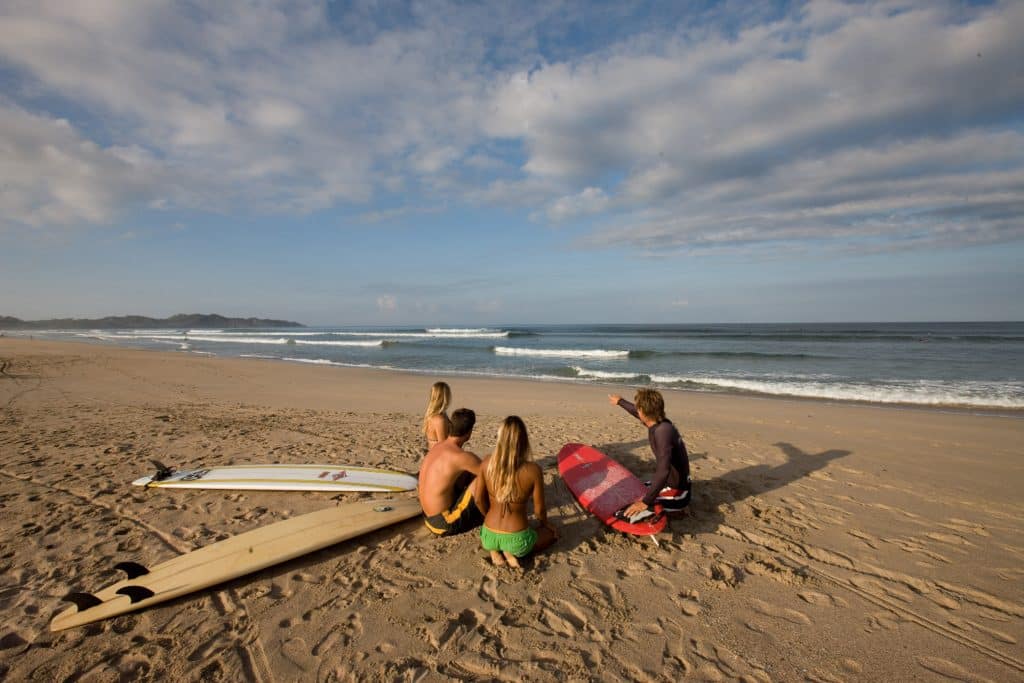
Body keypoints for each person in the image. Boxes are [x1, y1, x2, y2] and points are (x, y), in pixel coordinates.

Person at [478, 416, 558, 568]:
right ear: (523, 441)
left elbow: (478, 500)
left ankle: (495, 550)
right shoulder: (533, 470)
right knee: (552, 534)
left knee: (497, 538)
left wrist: (487, 516)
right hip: (517, 537)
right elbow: (539, 509)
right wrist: (545, 524)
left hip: (488, 534)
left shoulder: (487, 463)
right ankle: (511, 552)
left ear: (499, 438)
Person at [608, 389, 691, 522]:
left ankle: (670, 509)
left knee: (620, 514)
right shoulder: (660, 422)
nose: (637, 410)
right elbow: (637, 412)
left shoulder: (662, 433)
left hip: (678, 492)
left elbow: (663, 471)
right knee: (629, 491)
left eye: (638, 408)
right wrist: (620, 402)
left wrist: (645, 502)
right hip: (667, 484)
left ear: (644, 411)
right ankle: (662, 506)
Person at [418, 408, 485, 536]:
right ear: (469, 432)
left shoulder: (438, 446)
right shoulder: (461, 457)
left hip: (427, 515)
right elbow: (493, 474)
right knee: (483, 479)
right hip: (443, 522)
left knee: (467, 473)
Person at [422, 381, 452, 450]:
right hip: (438, 456)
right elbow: (443, 446)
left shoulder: (435, 415)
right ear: (445, 397)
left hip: (434, 454)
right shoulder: (439, 419)